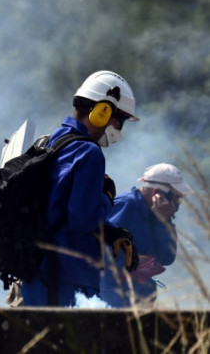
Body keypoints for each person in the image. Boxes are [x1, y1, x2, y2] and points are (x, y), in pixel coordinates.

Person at [20, 70, 139, 307]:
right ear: (103, 112)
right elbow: (82, 221)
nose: (119, 128)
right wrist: (106, 198)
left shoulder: (51, 141)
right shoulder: (89, 152)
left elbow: (61, 210)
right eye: (120, 119)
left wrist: (110, 232)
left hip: (39, 273)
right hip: (65, 277)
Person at [100, 163, 192, 308]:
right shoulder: (127, 205)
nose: (176, 204)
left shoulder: (159, 214)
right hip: (113, 298)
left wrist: (164, 222)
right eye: (175, 197)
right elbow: (101, 250)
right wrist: (132, 260)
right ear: (158, 192)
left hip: (138, 298)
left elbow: (167, 257)